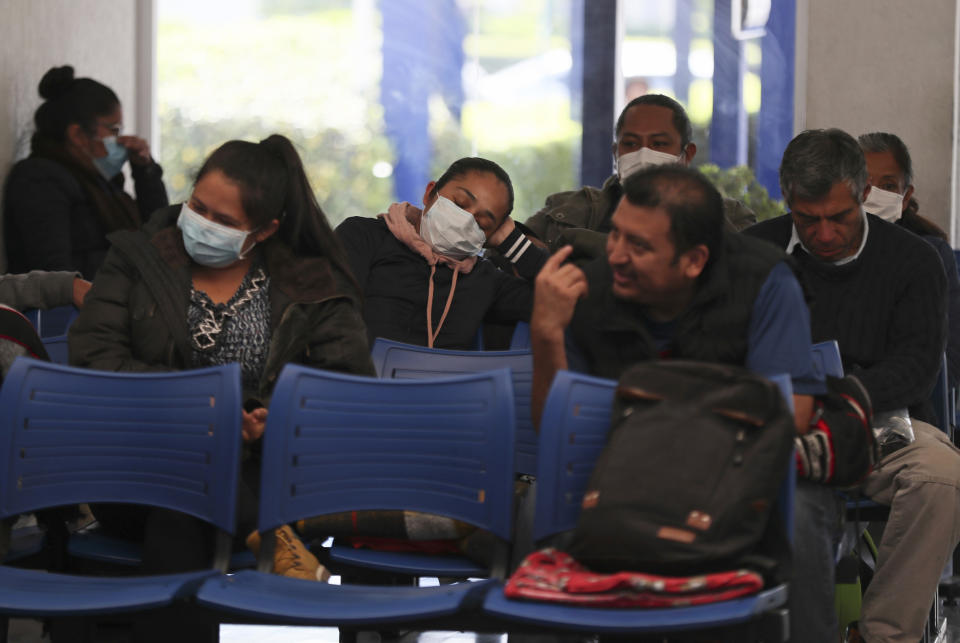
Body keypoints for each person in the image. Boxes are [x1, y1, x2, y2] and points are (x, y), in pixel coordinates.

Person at [69, 134, 374, 642]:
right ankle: (270, 538)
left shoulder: (312, 287)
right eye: (197, 206)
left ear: (266, 229)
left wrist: (273, 419)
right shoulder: (137, 260)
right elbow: (95, 363)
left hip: (263, 475)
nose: (202, 224)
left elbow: (347, 397)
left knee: (185, 503)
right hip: (133, 471)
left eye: (225, 222)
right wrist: (206, 406)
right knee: (187, 479)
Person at [530, 164, 830, 643]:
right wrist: (546, 334)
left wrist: (655, 419)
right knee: (536, 510)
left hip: (729, 478)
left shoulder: (763, 281)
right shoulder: (588, 289)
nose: (616, 257)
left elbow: (791, 413)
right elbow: (554, 430)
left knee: (803, 513)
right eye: (616, 236)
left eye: (640, 246)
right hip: (616, 477)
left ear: (693, 260)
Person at [745, 128, 960, 643]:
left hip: (876, 418)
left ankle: (883, 633)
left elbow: (916, 366)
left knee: (942, 478)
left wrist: (844, 398)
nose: (822, 234)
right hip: (777, 420)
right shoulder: (753, 254)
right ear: (787, 200)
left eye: (838, 217)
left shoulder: (912, 259)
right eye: (807, 219)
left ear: (864, 193)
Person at [336, 157, 532, 349]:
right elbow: (331, 320)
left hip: (447, 381)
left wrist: (513, 243)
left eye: (483, 223)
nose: (465, 221)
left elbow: (558, 299)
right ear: (430, 193)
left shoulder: (485, 279)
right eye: (459, 204)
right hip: (360, 378)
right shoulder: (363, 236)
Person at [522, 94, 756, 254]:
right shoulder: (565, 210)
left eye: (659, 144)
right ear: (616, 153)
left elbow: (745, 280)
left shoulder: (730, 216)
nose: (644, 154)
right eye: (631, 144)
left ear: (687, 155)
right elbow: (507, 259)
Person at [3, 65, 168, 279]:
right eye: (114, 129)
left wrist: (144, 171)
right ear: (78, 135)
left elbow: (161, 234)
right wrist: (138, 261)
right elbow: (55, 274)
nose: (120, 139)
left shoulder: (98, 180)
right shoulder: (39, 180)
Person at [858, 131, 960, 387]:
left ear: (905, 196)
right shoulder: (825, 248)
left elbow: (951, 359)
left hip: (911, 400)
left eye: (889, 186)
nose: (875, 194)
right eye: (866, 184)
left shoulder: (931, 254)